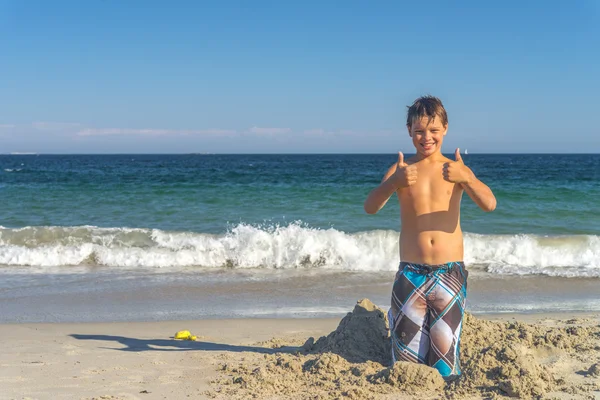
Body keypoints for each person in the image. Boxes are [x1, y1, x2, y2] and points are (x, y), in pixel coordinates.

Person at [363, 95, 496, 381]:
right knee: (407, 369)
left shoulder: (456, 171)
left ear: (445, 128)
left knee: (444, 368)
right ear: (409, 130)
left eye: (434, 130)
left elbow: (489, 204)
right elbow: (370, 207)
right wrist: (393, 183)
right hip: (410, 274)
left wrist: (468, 177)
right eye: (420, 131)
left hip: (449, 274)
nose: (427, 137)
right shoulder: (400, 171)